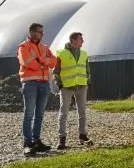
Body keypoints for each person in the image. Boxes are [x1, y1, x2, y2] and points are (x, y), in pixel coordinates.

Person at [17, 23, 57, 155]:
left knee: (39, 114)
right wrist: (44, 64)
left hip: (44, 84)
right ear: (32, 33)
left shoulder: (44, 48)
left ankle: (36, 140)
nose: (42, 35)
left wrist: (40, 60)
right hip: (30, 84)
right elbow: (29, 63)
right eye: (40, 32)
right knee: (29, 114)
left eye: (42, 33)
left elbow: (54, 61)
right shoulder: (24, 47)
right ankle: (27, 143)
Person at [53, 32, 93, 150]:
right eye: (81, 39)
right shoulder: (61, 54)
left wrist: (88, 82)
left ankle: (82, 135)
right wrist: (60, 85)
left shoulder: (84, 54)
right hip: (67, 87)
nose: (83, 41)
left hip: (81, 86)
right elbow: (55, 72)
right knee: (63, 113)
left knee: (82, 113)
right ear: (73, 41)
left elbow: (87, 70)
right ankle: (62, 138)